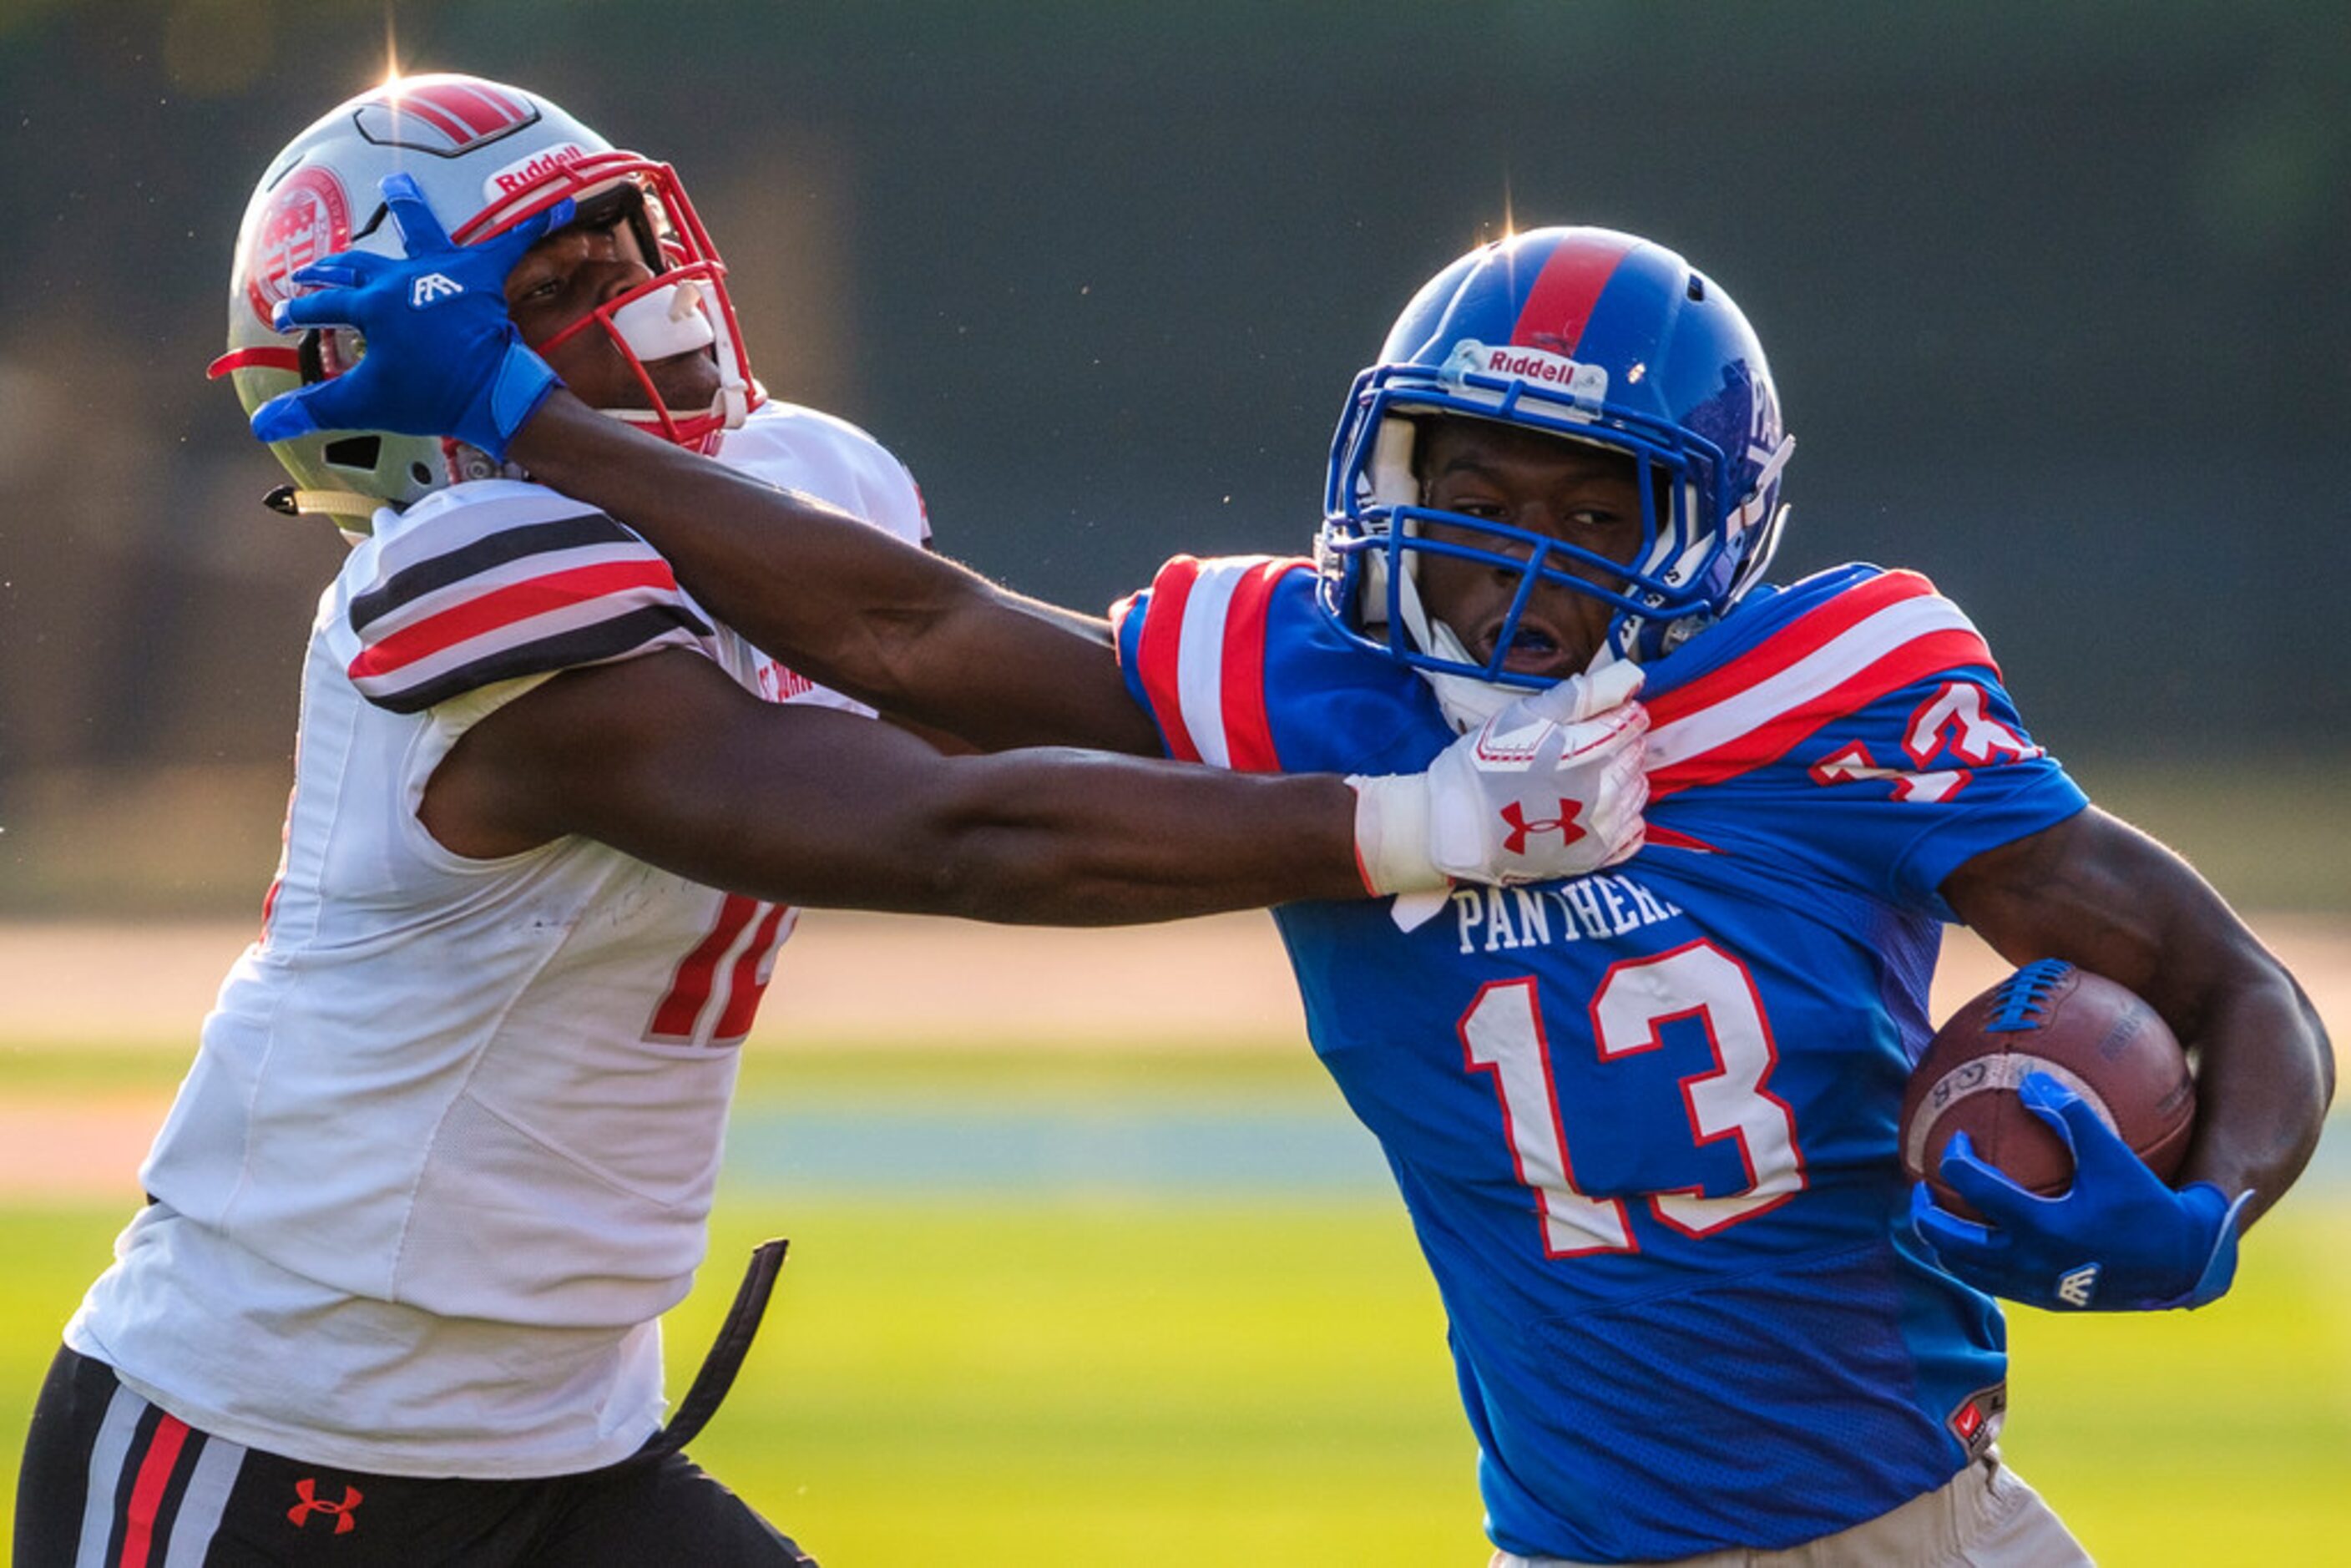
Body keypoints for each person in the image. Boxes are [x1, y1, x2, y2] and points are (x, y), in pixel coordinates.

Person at [220, 189, 2331, 1565]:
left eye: (1576, 498)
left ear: (1705, 523)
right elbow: (915, 647)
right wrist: (532, 413)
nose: (1497, 536)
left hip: (1908, 1531)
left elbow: (2225, 979)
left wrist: (2211, 1202)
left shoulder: (1837, 683)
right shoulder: (1303, 676)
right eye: (1457, 475)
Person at [9, 79, 1658, 1568]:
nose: (630, 304)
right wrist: (1413, 827)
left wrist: (1434, 688)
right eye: (548, 294)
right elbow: (949, 834)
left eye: (617, 247)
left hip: (566, 1445)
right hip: (269, 1452)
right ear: (381, 379)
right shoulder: (452, 575)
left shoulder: (788, 486)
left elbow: (978, 670)